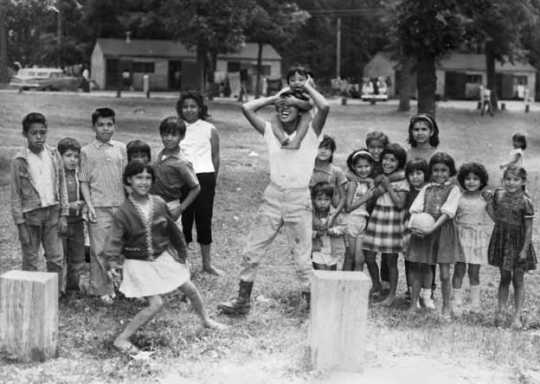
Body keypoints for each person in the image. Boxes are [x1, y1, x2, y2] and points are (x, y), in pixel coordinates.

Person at [217, 75, 329, 316]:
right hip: (273, 196)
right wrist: (277, 96)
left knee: (301, 256)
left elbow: (325, 106)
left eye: (291, 107)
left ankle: (311, 306)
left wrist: (306, 88)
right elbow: (247, 108)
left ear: (301, 111)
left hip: (298, 199)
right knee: (252, 250)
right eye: (281, 107)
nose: (284, 110)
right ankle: (242, 301)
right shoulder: (269, 130)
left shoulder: (311, 133)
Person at [102, 161, 225, 356]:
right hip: (138, 261)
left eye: (148, 178)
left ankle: (206, 320)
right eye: (139, 178)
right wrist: (112, 263)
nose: (144, 182)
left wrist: (181, 253)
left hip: (161, 256)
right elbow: (114, 240)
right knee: (156, 304)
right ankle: (122, 338)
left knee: (190, 288)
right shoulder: (123, 211)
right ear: (129, 181)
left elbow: (172, 230)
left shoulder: (158, 203)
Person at [10, 112, 67, 293]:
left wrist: (64, 214)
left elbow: (62, 184)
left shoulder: (53, 155)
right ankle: (31, 294)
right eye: (34, 133)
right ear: (25, 134)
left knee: (56, 257)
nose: (39, 137)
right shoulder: (19, 160)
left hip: (53, 213)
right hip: (31, 216)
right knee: (31, 258)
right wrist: (20, 225)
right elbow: (15, 195)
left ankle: (55, 293)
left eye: (42, 132)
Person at [80, 107, 127, 304]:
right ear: (94, 127)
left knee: (119, 248)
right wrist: (89, 205)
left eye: (109, 125)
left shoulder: (121, 148)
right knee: (99, 250)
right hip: (98, 207)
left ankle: (122, 285)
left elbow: (127, 178)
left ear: (114, 126)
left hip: (120, 205)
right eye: (101, 125)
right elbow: (83, 181)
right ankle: (102, 288)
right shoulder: (86, 151)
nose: (105, 129)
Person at [408, 153, 461, 319]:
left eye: (444, 170)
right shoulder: (426, 188)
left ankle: (446, 306)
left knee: (445, 274)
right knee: (420, 269)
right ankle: (413, 304)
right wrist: (412, 226)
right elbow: (416, 209)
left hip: (443, 232)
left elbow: (447, 213)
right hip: (423, 233)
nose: (439, 174)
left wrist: (432, 228)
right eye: (436, 170)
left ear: (450, 171)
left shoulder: (454, 189)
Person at [176, 91, 222, 276]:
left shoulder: (209, 128)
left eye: (193, 106)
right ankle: (183, 264)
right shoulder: (177, 127)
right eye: (185, 106)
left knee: (204, 220)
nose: (189, 110)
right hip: (183, 179)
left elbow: (216, 155)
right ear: (180, 109)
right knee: (184, 220)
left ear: (200, 108)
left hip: (204, 177)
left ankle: (207, 264)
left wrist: (213, 178)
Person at [487, 166, 536, 329]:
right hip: (502, 241)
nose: (511, 183)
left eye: (516, 180)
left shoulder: (525, 201)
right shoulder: (499, 195)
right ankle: (500, 312)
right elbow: (496, 218)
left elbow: (529, 228)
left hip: (519, 244)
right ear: (503, 180)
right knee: (504, 278)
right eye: (508, 179)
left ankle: (517, 316)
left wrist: (524, 250)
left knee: (518, 279)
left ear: (523, 182)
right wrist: (488, 203)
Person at [362, 143, 409, 306]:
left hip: (393, 220)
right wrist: (381, 184)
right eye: (385, 159)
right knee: (368, 255)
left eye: (393, 160)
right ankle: (376, 283)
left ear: (400, 163)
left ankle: (391, 295)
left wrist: (387, 185)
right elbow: (373, 193)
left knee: (391, 260)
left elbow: (399, 204)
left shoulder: (403, 180)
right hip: (377, 216)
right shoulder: (380, 176)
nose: (388, 163)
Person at [452, 163, 493, 313]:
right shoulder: (458, 198)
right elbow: (452, 218)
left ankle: (475, 304)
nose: (471, 181)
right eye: (468, 178)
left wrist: (491, 202)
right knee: (459, 270)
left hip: (477, 238)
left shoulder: (484, 199)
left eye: (475, 178)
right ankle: (457, 302)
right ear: (462, 180)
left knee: (474, 272)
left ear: (481, 181)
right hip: (461, 237)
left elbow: (494, 217)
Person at [151, 117, 201, 225]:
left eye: (173, 135)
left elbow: (196, 188)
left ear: (182, 137)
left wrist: (180, 209)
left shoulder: (182, 162)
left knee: (171, 239)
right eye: (165, 134)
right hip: (151, 204)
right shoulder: (156, 155)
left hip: (170, 206)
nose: (169, 138)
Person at [58, 137, 86, 291]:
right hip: (60, 223)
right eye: (68, 156)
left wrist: (83, 204)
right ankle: (57, 290)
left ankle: (72, 289)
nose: (73, 160)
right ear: (60, 156)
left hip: (77, 223)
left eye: (76, 156)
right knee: (59, 257)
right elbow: (53, 200)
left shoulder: (79, 176)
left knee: (77, 258)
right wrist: (68, 205)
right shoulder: (56, 177)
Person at [403, 158, 430, 309]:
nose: (415, 177)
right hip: (409, 231)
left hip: (425, 232)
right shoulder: (407, 190)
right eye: (411, 174)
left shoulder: (430, 191)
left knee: (426, 265)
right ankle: (413, 295)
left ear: (426, 174)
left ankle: (427, 295)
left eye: (419, 173)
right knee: (411, 264)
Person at [343, 149, 374, 272]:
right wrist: (365, 197)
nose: (363, 169)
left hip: (362, 221)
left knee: (360, 259)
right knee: (350, 256)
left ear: (371, 166)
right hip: (351, 221)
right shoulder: (353, 183)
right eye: (359, 167)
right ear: (353, 167)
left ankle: (358, 287)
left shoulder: (368, 183)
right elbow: (348, 207)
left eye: (366, 166)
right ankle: (344, 284)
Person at [270, 65, 314, 149]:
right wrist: (279, 102)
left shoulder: (308, 93)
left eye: (301, 80)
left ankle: (297, 140)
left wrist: (296, 102)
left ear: (308, 81)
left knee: (306, 115)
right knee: (274, 116)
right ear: (288, 82)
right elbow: (275, 100)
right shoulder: (286, 91)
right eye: (292, 80)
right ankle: (282, 138)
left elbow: (310, 105)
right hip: (289, 120)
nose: (297, 82)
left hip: (304, 122)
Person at [310, 135, 347, 223]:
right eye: (320, 147)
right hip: (309, 211)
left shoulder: (336, 171)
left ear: (332, 152)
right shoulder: (307, 170)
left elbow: (343, 198)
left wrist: (334, 216)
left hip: (329, 213)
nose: (323, 151)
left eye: (327, 148)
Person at [311, 182, 346, 271]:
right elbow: (305, 231)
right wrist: (316, 234)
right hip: (317, 250)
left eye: (326, 200)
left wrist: (333, 231)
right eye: (319, 199)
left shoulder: (335, 214)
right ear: (313, 200)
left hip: (333, 251)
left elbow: (344, 227)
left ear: (331, 200)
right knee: (321, 274)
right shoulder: (311, 216)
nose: (323, 203)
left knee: (331, 275)